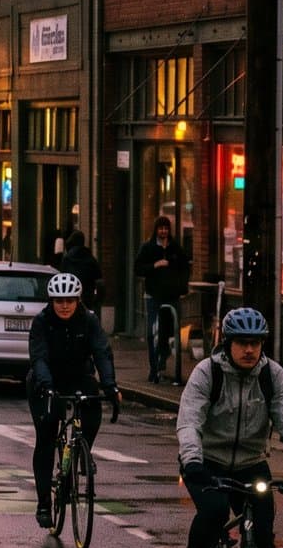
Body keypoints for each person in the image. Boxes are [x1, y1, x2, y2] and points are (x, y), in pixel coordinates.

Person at [175, 308, 283, 548]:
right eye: (242, 343)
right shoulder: (207, 373)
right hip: (208, 462)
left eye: (256, 343)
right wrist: (193, 462)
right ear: (227, 343)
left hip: (251, 464)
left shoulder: (272, 375)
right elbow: (189, 422)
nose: (250, 349)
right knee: (213, 512)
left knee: (263, 535)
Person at [26, 272, 119, 527]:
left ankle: (81, 452)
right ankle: (44, 501)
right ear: (51, 301)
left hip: (79, 376)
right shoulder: (41, 322)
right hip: (46, 380)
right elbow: (39, 358)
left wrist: (110, 385)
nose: (64, 306)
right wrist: (46, 387)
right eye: (59, 301)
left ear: (78, 300)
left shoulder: (89, 321)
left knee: (92, 407)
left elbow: (102, 352)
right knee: (46, 437)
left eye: (69, 300)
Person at [135, 216, 192, 384]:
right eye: (160, 228)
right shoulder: (148, 248)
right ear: (156, 230)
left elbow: (184, 268)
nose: (163, 231)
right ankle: (154, 369)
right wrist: (154, 266)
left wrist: (181, 287)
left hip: (172, 295)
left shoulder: (175, 248)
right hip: (153, 296)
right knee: (153, 331)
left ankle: (163, 359)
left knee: (169, 330)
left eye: (166, 228)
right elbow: (138, 268)